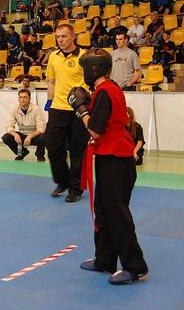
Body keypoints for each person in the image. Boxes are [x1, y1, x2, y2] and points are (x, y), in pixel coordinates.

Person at [68, 48, 148, 285]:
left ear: (94, 69)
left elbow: (94, 130)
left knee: (117, 213)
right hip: (109, 155)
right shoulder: (108, 88)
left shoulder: (105, 91)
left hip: (116, 158)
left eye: (85, 68)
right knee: (103, 209)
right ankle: (105, 260)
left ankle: (135, 267)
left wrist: (81, 110)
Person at [44, 24, 89, 203]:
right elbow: (51, 81)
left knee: (78, 151)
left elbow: (90, 82)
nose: (60, 40)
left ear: (73, 36)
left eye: (64, 36)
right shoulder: (53, 56)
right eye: (58, 37)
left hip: (78, 109)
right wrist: (49, 102)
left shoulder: (84, 56)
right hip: (58, 107)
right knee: (53, 146)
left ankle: (76, 188)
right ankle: (62, 181)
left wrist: (86, 105)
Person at [2, 89, 46, 161]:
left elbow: (41, 128)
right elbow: (9, 126)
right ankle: (22, 153)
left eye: (25, 97)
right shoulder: (14, 109)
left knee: (44, 137)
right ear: (18, 98)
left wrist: (30, 136)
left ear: (30, 98)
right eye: (21, 97)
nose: (23, 99)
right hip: (22, 135)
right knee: (6, 137)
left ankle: (40, 155)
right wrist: (15, 135)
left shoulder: (36, 109)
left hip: (34, 135)